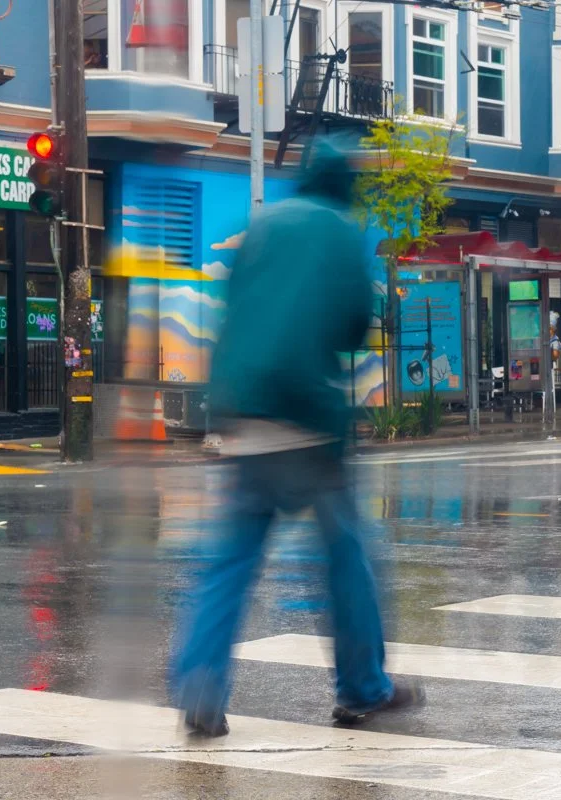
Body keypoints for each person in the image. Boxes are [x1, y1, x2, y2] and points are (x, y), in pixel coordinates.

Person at [169, 139, 423, 737]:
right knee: (345, 556)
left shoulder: (262, 225)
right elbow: (357, 322)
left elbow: (233, 306)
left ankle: (201, 685)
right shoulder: (339, 229)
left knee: (230, 561)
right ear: (343, 185)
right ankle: (362, 688)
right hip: (306, 416)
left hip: (241, 412)